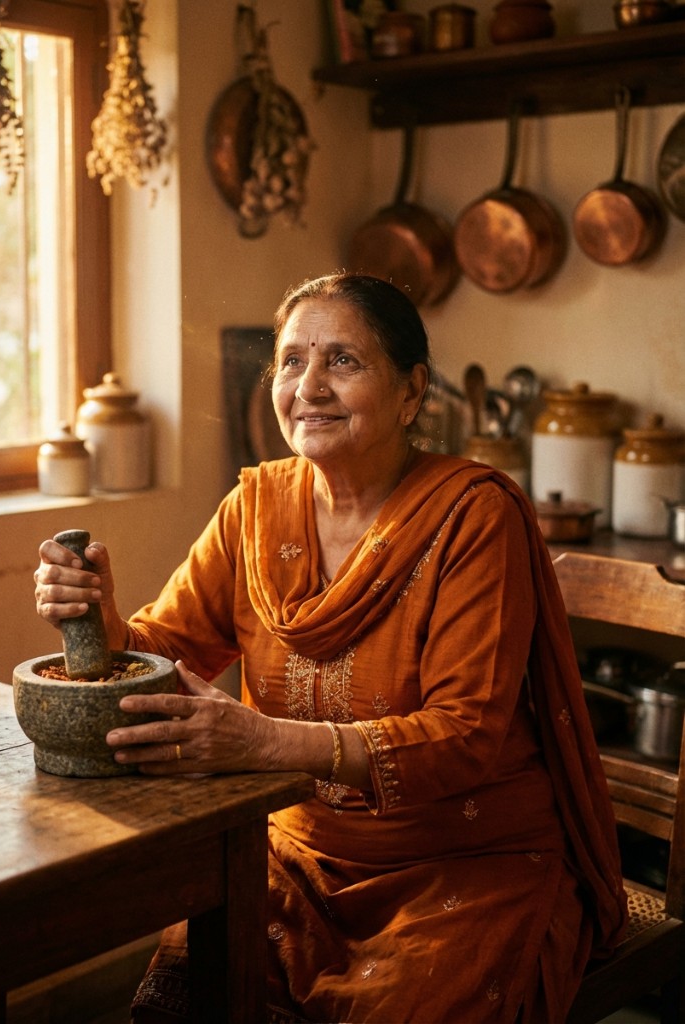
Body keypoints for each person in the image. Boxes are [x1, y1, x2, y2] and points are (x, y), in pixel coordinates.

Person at [34, 272, 627, 1024]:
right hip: (295, 858)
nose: (308, 387)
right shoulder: (255, 507)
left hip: (463, 866)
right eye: (290, 361)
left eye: (342, 361)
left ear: (413, 394)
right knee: (178, 1004)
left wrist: (265, 741)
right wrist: (101, 619)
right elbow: (157, 655)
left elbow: (465, 735)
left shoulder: (474, 517)